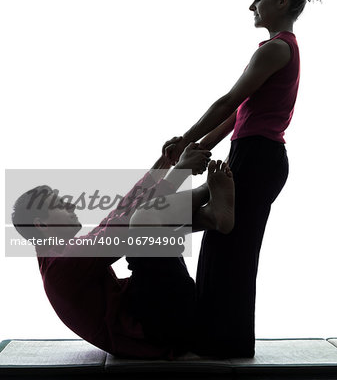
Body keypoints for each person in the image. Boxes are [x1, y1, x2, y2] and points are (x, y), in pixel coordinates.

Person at [162, 0, 323, 357]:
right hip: (250, 154)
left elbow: (228, 101)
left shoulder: (276, 48)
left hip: (258, 156)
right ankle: (217, 339)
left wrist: (185, 138)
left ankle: (223, 344)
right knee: (223, 245)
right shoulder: (279, 50)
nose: (253, 5)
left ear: (281, 1)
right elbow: (238, 116)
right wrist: (198, 147)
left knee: (230, 247)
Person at [11, 142, 235, 359]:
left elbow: (118, 214)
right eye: (60, 205)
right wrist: (180, 170)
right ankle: (206, 190)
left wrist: (163, 163)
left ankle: (210, 217)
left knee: (147, 225)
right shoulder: (61, 266)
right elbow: (121, 228)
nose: (71, 206)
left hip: (161, 318)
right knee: (144, 220)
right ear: (41, 225)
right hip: (160, 329)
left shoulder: (59, 257)